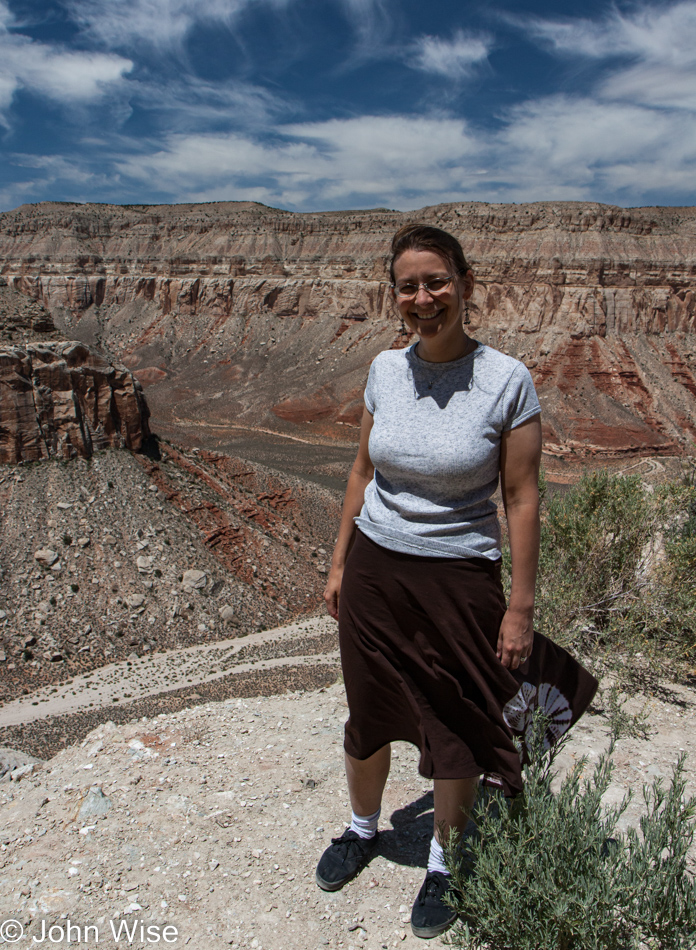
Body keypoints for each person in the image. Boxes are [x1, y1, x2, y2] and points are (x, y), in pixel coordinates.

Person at [315, 224, 597, 940]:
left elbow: (524, 498)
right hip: (377, 571)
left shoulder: (507, 380)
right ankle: (361, 828)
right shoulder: (384, 369)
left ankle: (445, 860)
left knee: (457, 721)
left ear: (465, 284)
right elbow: (361, 472)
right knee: (369, 706)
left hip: (459, 578)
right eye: (408, 286)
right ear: (395, 297)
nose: (423, 297)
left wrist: (520, 609)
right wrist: (341, 562)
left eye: (436, 281)